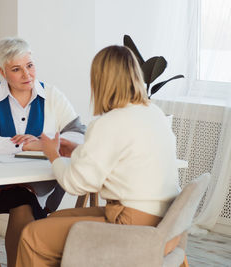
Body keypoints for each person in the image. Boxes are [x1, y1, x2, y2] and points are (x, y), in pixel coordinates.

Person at [15, 45, 182, 267]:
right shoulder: (154, 113)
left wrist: (52, 154)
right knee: (53, 221)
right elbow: (121, 158)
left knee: (32, 236)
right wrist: (76, 150)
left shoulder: (109, 123)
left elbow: (75, 184)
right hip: (164, 226)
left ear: (100, 81)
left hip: (131, 227)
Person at [0, 37, 85, 267]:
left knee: (23, 204)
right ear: (2, 71)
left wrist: (43, 142)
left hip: (34, 183)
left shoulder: (52, 95)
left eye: (29, 65)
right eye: (16, 69)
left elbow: (78, 134)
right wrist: (24, 145)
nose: (27, 75)